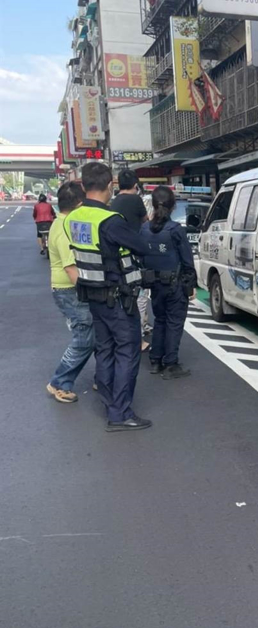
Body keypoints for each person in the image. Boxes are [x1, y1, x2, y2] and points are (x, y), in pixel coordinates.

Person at [63, 161, 154, 432]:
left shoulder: (73, 218)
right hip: (117, 297)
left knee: (104, 350)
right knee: (127, 350)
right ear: (110, 185)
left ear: (82, 185)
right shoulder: (110, 221)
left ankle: (109, 403)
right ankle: (120, 413)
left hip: (92, 295)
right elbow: (141, 246)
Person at [141, 186, 197, 379]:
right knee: (174, 322)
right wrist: (190, 287)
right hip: (174, 284)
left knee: (160, 320)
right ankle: (170, 364)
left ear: (153, 204)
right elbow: (187, 261)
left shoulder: (145, 229)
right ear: (173, 206)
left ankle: (156, 360)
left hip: (154, 284)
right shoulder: (175, 230)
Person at [46, 181, 95, 403]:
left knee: (90, 335)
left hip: (65, 288)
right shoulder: (67, 228)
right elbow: (70, 267)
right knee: (84, 338)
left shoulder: (61, 222)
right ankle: (59, 382)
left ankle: (101, 377)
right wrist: (89, 292)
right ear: (78, 203)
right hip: (70, 289)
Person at [111, 169, 152, 351]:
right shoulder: (135, 200)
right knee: (140, 295)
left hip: (116, 254)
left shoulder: (114, 202)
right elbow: (145, 221)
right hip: (134, 254)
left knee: (124, 296)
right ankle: (139, 338)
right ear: (136, 185)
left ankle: (125, 335)